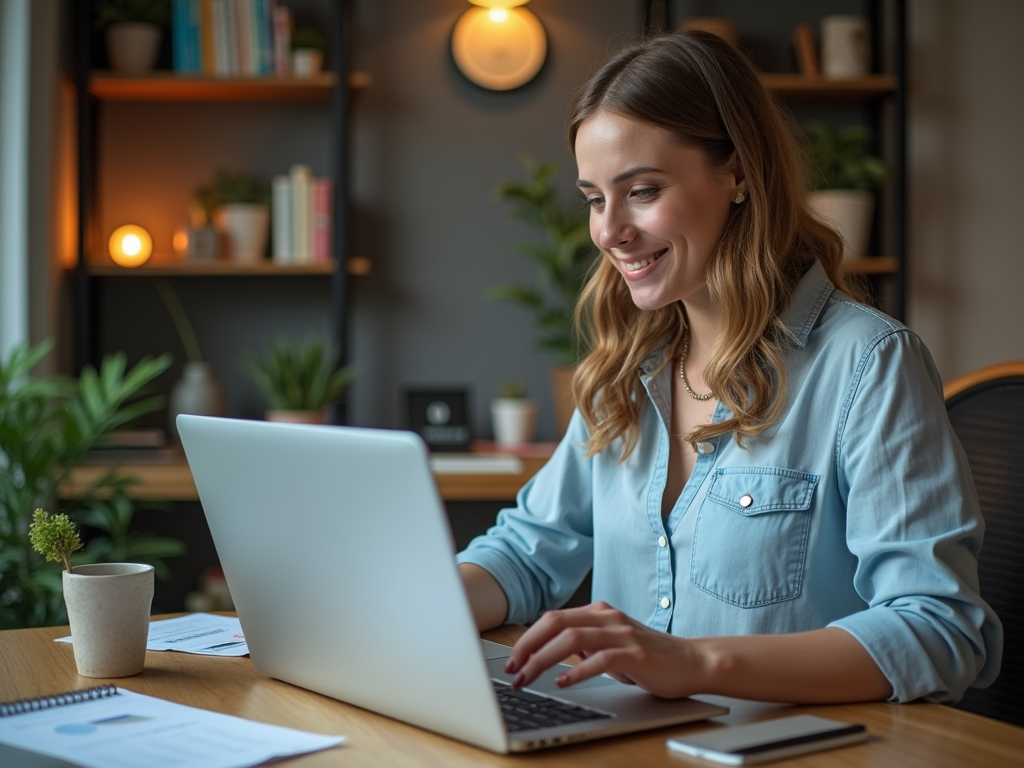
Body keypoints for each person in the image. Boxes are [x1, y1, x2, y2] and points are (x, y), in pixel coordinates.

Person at [456, 30, 1002, 705]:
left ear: (738, 174)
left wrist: (695, 662)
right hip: (635, 748)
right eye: (596, 199)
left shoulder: (868, 364)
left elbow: (939, 631)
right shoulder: (626, 368)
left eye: (643, 191)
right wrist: (407, 606)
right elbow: (527, 552)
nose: (609, 231)